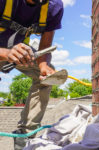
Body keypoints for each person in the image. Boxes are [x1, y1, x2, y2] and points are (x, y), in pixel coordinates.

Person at [0, 0, 64, 149]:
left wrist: (43, 66)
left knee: (47, 79)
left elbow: (45, 46)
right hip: (4, 51)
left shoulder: (53, 7)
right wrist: (6, 53)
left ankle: (26, 135)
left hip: (19, 53)